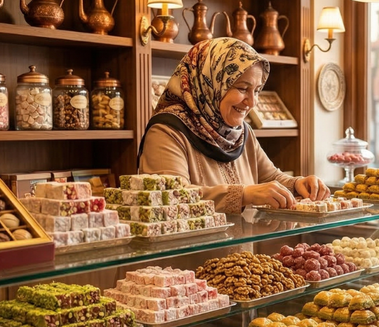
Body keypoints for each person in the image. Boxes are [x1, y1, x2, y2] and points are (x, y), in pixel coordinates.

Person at [138, 38, 330, 214]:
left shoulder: (241, 132)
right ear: (211, 83)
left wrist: (298, 184)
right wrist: (245, 194)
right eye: (242, 88)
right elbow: (170, 198)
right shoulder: (166, 131)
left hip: (240, 252)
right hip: (191, 251)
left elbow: (270, 178)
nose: (252, 102)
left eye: (256, 90)